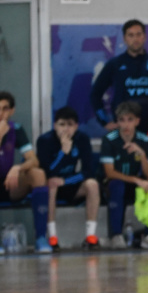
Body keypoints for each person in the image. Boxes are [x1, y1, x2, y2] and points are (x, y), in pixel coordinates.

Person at [101, 101, 148, 249]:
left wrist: (142, 155)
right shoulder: (109, 140)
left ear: (137, 121)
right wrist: (136, 180)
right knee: (117, 186)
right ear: (117, 121)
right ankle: (116, 235)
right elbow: (109, 172)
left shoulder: (144, 140)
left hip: (136, 184)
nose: (126, 125)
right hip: (115, 183)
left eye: (130, 120)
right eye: (122, 120)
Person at [90, 18, 148, 133]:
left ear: (144, 37)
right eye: (130, 35)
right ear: (125, 39)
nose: (135, 39)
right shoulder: (114, 64)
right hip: (124, 129)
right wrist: (104, 121)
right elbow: (95, 94)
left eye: (138, 34)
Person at [35, 106, 100, 250]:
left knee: (92, 184)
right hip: (52, 185)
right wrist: (63, 153)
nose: (66, 129)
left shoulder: (82, 139)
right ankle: (52, 236)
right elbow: (47, 172)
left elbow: (88, 171)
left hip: (70, 183)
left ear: (76, 126)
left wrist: (66, 181)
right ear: (54, 125)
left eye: (70, 125)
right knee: (51, 184)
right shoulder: (45, 140)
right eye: (62, 124)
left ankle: (90, 235)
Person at [0, 91, 49, 252]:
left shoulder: (16, 130)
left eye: (5, 109)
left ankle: (41, 237)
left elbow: (33, 160)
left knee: (38, 174)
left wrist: (17, 167)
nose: (1, 113)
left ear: (12, 111)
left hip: (9, 183)